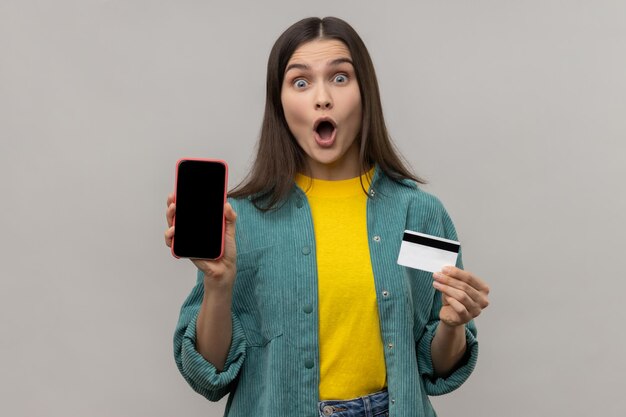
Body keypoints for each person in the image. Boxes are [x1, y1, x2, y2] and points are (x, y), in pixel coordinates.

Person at [164, 16, 490, 417]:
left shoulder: (419, 214)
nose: (322, 98)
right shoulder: (241, 220)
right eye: (300, 82)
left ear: (364, 91)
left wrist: (454, 323)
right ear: (279, 103)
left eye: (339, 78)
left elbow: (439, 368)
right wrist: (218, 283)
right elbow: (208, 375)